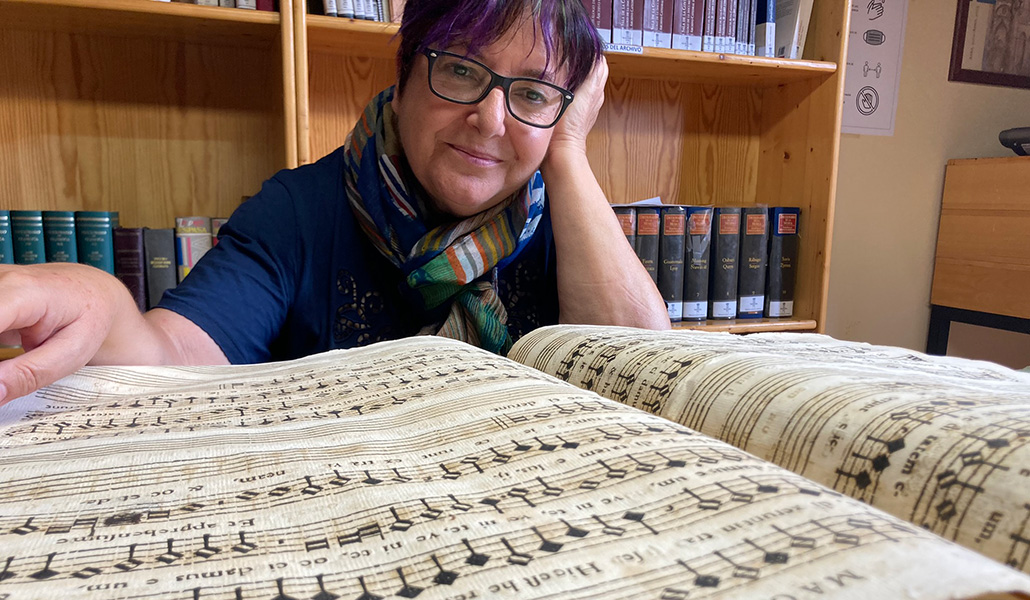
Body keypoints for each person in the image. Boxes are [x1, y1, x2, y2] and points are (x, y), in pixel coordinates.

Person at [0, 0, 669, 406]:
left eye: (533, 94)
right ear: (403, 80)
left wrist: (568, 152)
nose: (491, 120)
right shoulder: (297, 212)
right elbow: (171, 355)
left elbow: (644, 371)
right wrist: (100, 302)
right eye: (462, 70)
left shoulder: (563, 218)